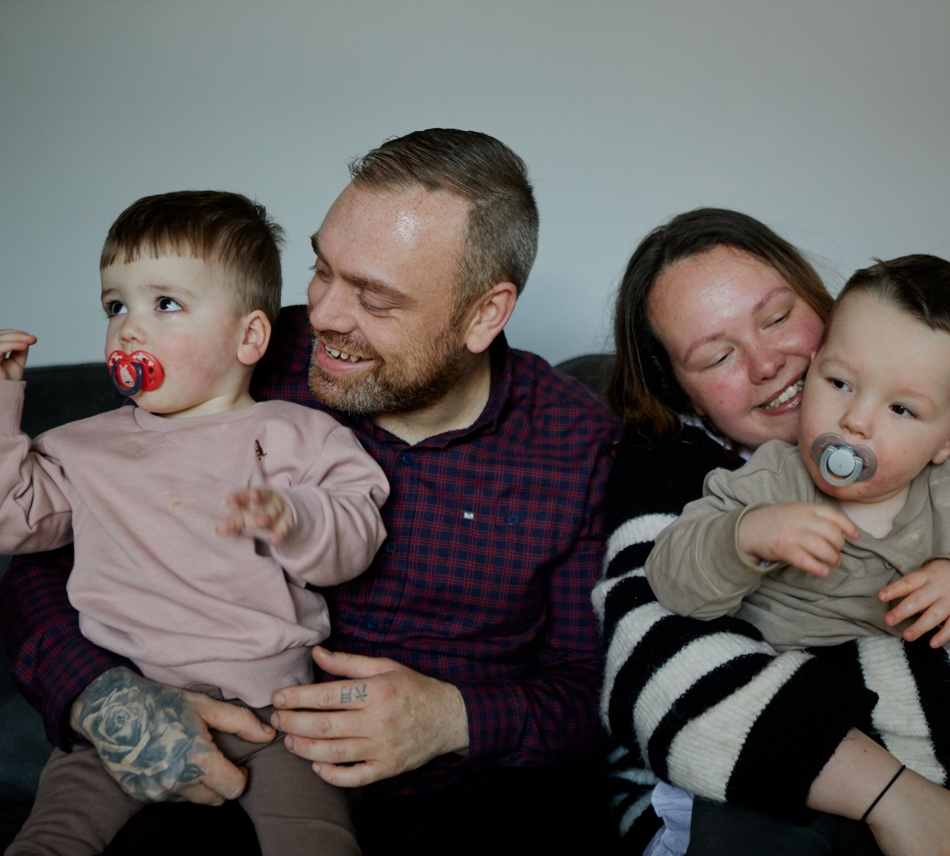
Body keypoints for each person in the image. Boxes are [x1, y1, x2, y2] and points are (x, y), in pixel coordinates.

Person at [0, 130, 621, 855]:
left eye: (374, 298)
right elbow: (53, 552)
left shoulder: (576, 444)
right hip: (219, 755)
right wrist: (100, 693)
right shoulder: (240, 353)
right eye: (323, 269)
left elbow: (595, 688)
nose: (324, 315)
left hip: (461, 794)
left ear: (485, 313)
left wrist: (451, 718)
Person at [0, 190, 389, 856]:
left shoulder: (296, 434)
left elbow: (355, 537)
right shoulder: (80, 447)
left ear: (249, 337)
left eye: (165, 304)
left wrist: (295, 518)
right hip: (128, 712)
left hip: (275, 711)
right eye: (115, 306)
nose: (129, 329)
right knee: (52, 837)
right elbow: (14, 520)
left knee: (317, 839)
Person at [592, 210, 950, 856]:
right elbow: (658, 651)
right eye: (718, 356)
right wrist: (745, 536)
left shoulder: (932, 442)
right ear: (686, 396)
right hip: (777, 786)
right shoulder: (713, 474)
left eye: (778, 317)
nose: (766, 364)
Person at [648, 254, 950, 653]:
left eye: (901, 409)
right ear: (812, 370)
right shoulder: (769, 481)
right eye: (839, 383)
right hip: (794, 676)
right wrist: (747, 536)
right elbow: (669, 582)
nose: (855, 420)